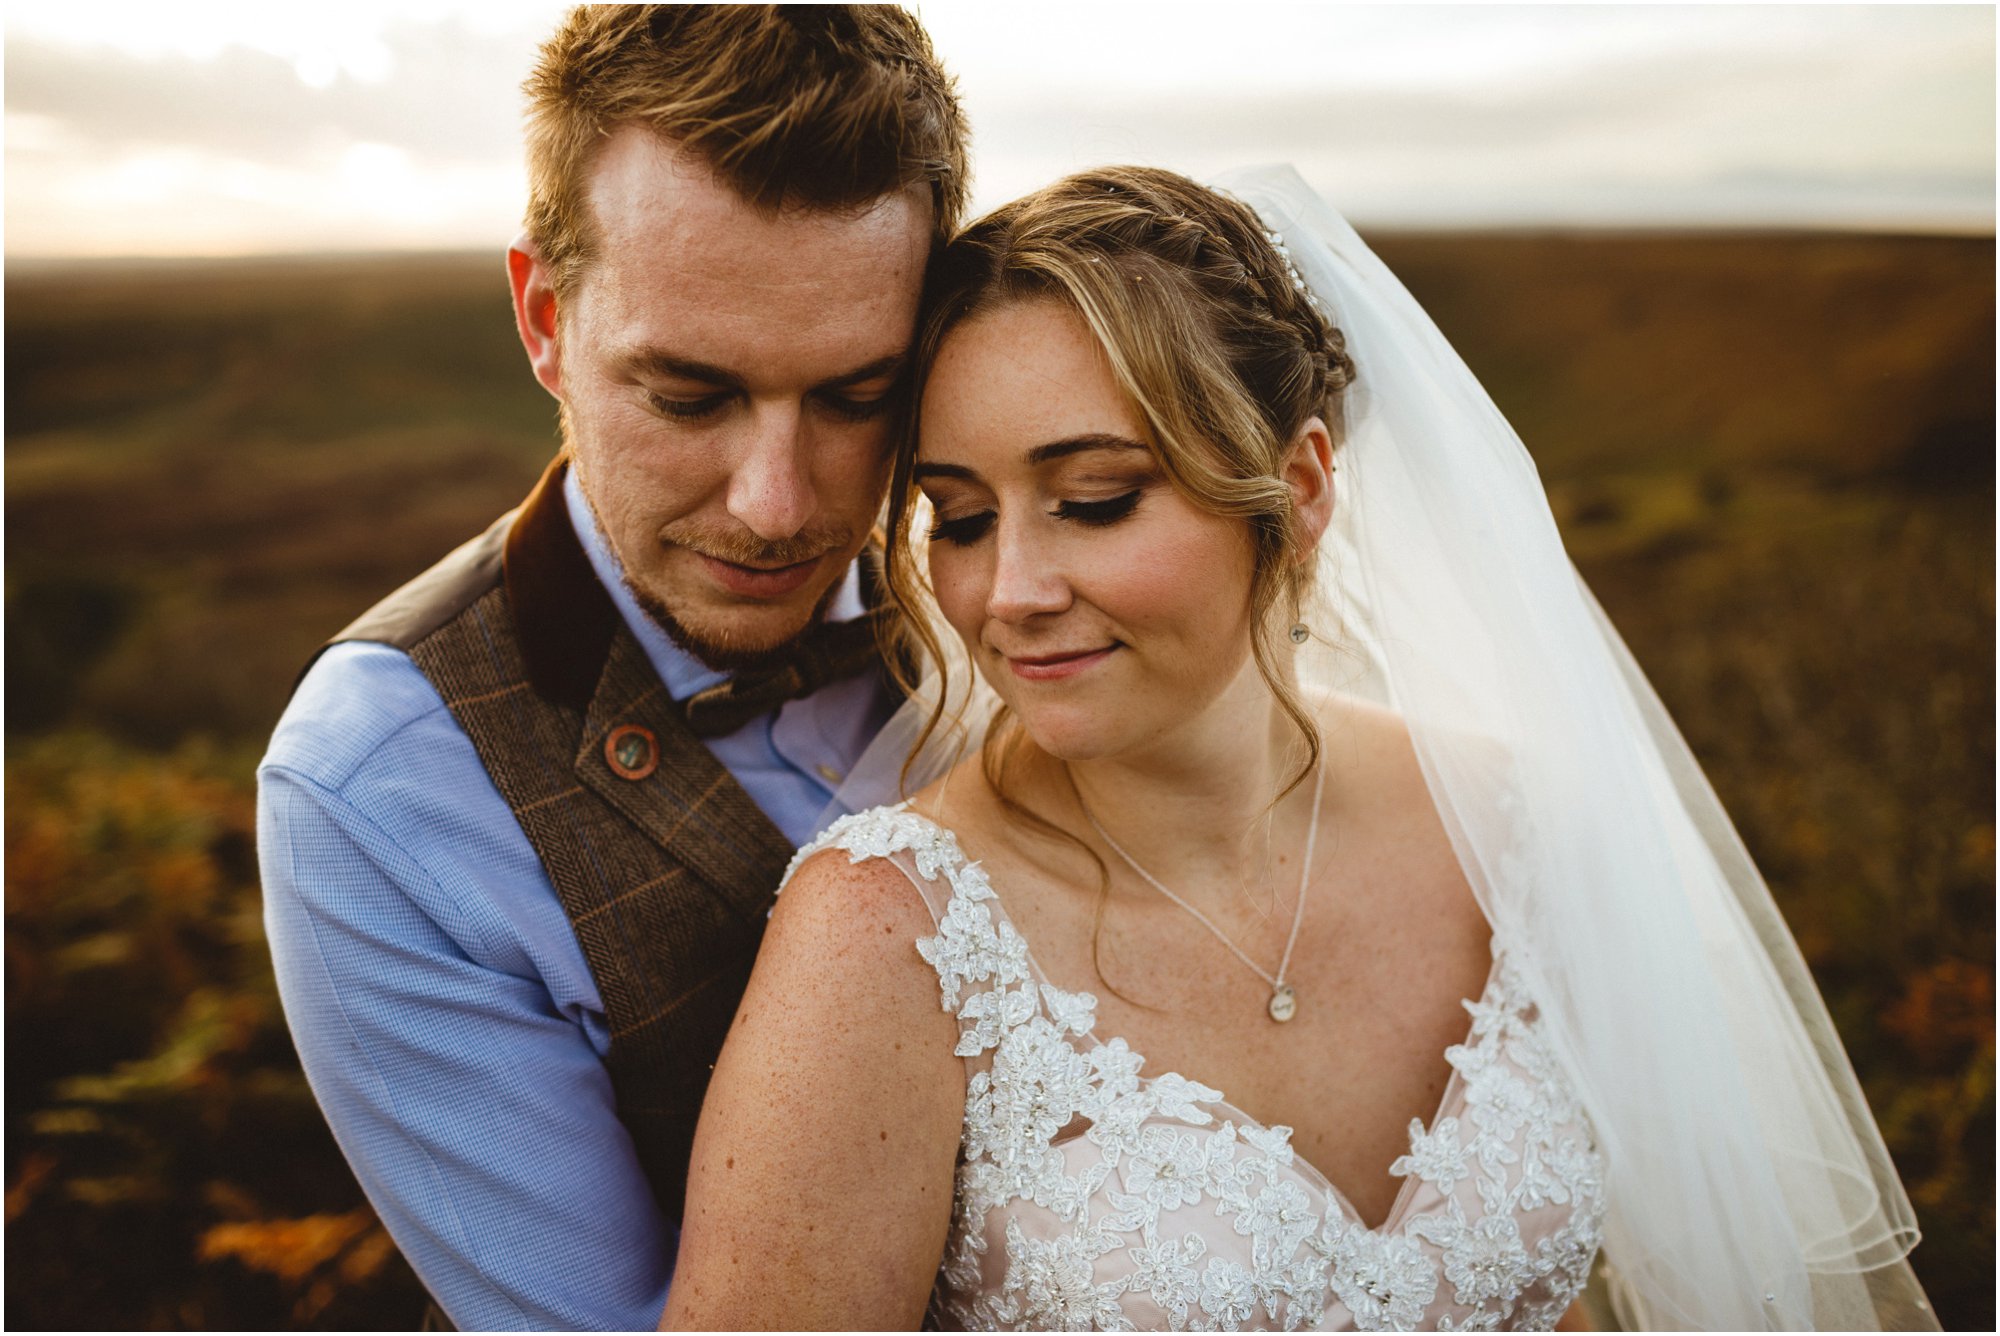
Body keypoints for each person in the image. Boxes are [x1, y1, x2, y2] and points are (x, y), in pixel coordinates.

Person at [660, 166, 1935, 1331]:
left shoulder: (1509, 824)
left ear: (1302, 485)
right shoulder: (889, 933)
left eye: (1095, 500)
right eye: (960, 516)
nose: (1010, 590)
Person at [255, 6, 967, 1328]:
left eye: (858, 397)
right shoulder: (375, 789)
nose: (775, 504)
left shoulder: (1031, 597)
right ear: (542, 319)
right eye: (688, 397)